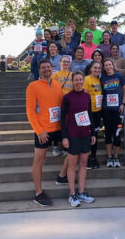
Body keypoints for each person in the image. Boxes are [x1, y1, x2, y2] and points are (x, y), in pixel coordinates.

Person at [26, 59, 63, 206]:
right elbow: (30, 111)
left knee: (74, 152)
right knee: (39, 161)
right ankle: (38, 194)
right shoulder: (33, 86)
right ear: (39, 70)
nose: (46, 69)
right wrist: (39, 131)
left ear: (52, 68)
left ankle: (62, 176)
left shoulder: (57, 84)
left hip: (59, 128)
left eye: (48, 67)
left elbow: (63, 104)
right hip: (43, 131)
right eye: (43, 67)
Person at [61, 71, 96, 206]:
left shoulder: (87, 96)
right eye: (76, 80)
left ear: (83, 80)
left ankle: (81, 192)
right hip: (73, 135)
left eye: (80, 80)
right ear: (72, 81)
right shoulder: (67, 97)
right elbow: (62, 119)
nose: (79, 82)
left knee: (83, 164)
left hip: (85, 134)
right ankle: (72, 194)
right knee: (72, 165)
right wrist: (64, 137)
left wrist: (92, 133)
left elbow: (90, 116)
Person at [101, 58, 125, 167]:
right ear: (104, 67)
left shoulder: (119, 76)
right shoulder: (102, 78)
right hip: (107, 110)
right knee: (108, 134)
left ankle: (115, 157)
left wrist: (123, 103)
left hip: (118, 110)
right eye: (106, 65)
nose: (108, 67)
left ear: (113, 65)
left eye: (109, 65)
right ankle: (109, 157)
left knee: (117, 134)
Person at [83, 61, 102, 169]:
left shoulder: (99, 79)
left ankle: (93, 158)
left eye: (99, 68)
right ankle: (88, 159)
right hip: (89, 112)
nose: (97, 70)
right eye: (95, 68)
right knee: (90, 136)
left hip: (98, 112)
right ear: (91, 68)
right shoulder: (86, 79)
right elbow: (84, 96)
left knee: (95, 135)